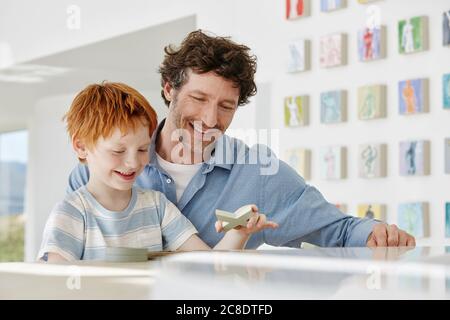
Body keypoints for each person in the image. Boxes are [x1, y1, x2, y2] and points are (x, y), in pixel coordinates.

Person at [68, 30, 416, 248]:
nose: (210, 119)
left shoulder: (258, 173)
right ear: (169, 89)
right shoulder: (100, 169)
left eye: (226, 106)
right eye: (199, 99)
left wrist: (377, 233)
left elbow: (337, 230)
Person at [37, 82, 277, 262]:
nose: (132, 163)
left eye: (142, 149)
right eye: (118, 151)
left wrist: (239, 233)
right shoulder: (71, 214)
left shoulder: (156, 206)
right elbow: (58, 288)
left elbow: (208, 266)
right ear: (81, 147)